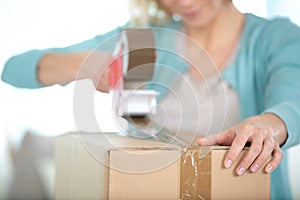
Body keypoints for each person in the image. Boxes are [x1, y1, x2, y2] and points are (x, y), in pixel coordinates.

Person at [2, 0, 300, 199]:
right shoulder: (143, 40)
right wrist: (82, 63)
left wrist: (267, 127)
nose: (184, 2)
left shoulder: (276, 38)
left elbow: (292, 100)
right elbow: (12, 69)